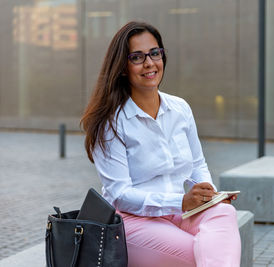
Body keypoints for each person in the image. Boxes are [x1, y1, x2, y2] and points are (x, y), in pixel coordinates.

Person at [80, 21, 241, 267]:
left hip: (181, 212)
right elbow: (119, 195)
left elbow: (197, 164)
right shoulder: (111, 122)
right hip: (134, 221)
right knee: (200, 253)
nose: (149, 63)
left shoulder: (180, 108)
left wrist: (208, 194)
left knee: (224, 213)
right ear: (122, 67)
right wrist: (180, 202)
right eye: (137, 57)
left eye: (155, 53)